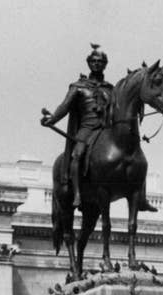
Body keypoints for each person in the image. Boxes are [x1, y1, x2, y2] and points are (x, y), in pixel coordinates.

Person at [40, 44, 118, 211]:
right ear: (89, 63)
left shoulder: (111, 89)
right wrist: (52, 119)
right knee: (78, 154)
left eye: (101, 61)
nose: (97, 64)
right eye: (94, 61)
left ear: (105, 64)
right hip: (86, 129)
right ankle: (77, 193)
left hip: (105, 130)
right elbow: (64, 106)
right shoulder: (78, 86)